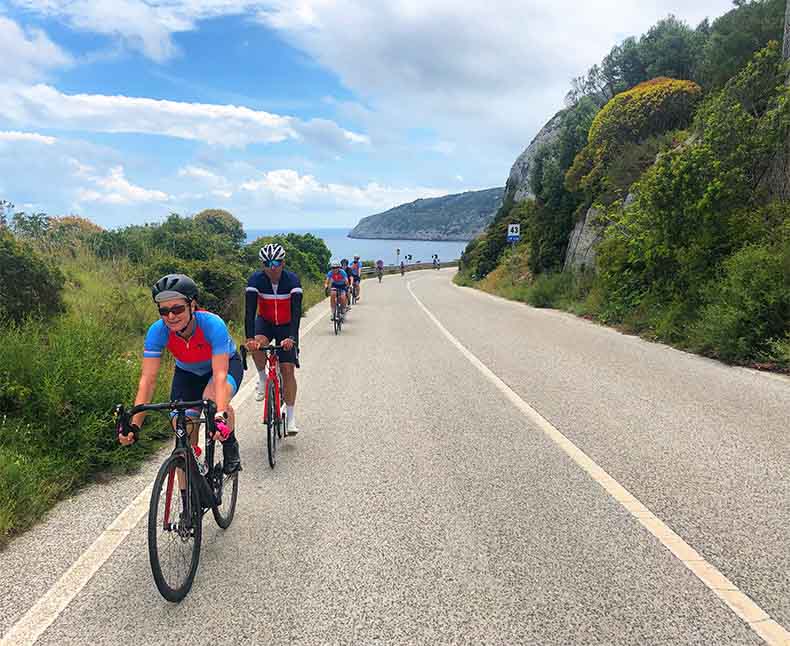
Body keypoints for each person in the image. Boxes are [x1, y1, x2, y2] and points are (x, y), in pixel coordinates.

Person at [119, 274, 243, 475]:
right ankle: (189, 499)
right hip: (187, 373)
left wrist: (220, 414)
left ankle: (230, 444)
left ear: (192, 305)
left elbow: (220, 374)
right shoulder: (157, 331)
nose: (171, 317)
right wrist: (134, 425)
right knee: (182, 433)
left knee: (212, 400)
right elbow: (148, 381)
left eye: (177, 309)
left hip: (224, 366)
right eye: (164, 311)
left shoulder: (212, 324)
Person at [245, 243, 303, 435]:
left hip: (286, 325)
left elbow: (296, 314)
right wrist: (249, 338)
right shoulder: (256, 280)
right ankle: (262, 378)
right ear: (262, 264)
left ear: (283, 262)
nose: (273, 266)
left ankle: (292, 417)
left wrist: (292, 338)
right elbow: (249, 311)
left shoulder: (292, 280)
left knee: (287, 370)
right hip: (266, 322)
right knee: (256, 345)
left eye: (276, 262)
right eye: (268, 263)